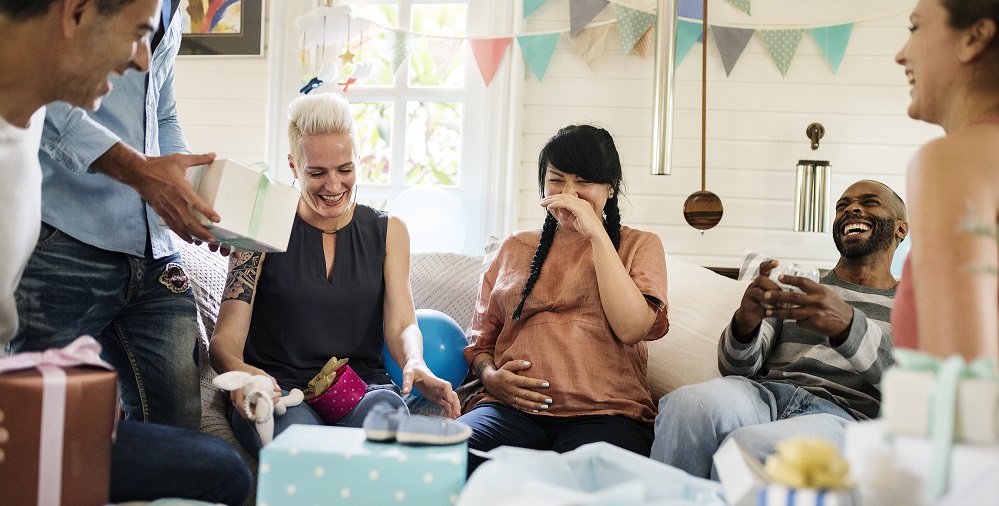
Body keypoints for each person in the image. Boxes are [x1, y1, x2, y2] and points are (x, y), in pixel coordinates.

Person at [0, 1, 249, 503]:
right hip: (70, 236)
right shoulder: (22, 137)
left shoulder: (171, 14)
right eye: (136, 34)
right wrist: (140, 172)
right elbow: (46, 105)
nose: (141, 58)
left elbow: (163, 115)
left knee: (203, 458)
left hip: (151, 247)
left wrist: (189, 192)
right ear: (75, 14)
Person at [209, 92, 461, 455]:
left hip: (362, 391)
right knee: (305, 448)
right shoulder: (260, 227)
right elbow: (224, 342)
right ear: (293, 166)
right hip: (279, 394)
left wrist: (415, 361)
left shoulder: (390, 231)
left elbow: (402, 324)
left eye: (345, 169)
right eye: (317, 172)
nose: (333, 185)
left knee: (388, 426)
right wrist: (242, 373)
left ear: (358, 161)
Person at [650, 180, 908, 479]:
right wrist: (745, 322)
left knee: (750, 449)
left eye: (870, 202)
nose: (851, 208)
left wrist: (849, 327)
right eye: (842, 206)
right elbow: (737, 368)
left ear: (901, 229)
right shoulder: (799, 285)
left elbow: (912, 388)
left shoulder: (911, 305)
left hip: (842, 417)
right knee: (687, 405)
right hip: (764, 395)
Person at [458, 124, 670, 474]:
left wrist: (596, 235)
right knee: (444, 455)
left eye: (583, 182)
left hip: (606, 414)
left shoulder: (640, 245)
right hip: (510, 411)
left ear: (610, 189)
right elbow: (480, 344)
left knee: (574, 483)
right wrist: (491, 376)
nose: (568, 193)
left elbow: (632, 328)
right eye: (557, 180)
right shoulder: (514, 248)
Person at [892, 0, 999, 363]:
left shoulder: (952, 160)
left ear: (975, 37)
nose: (900, 55)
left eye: (915, 27)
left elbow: (963, 386)